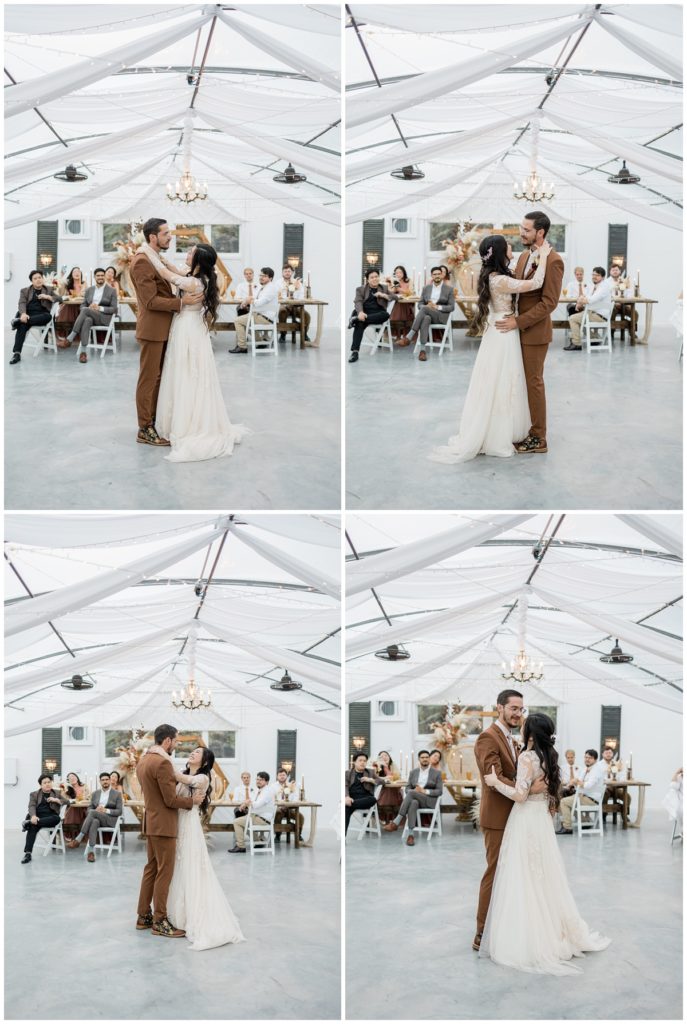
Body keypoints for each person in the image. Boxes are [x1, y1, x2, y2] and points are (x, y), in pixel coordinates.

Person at [481, 713, 611, 974]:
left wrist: (495, 782)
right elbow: (550, 791)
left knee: (524, 874)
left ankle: (533, 936)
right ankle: (553, 928)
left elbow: (519, 795)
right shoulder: (550, 755)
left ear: (529, 731)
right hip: (541, 819)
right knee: (543, 875)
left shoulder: (528, 757)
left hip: (526, 818)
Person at [429, 235, 551, 464]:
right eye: (508, 246)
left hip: (498, 329)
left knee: (499, 379)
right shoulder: (499, 280)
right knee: (504, 379)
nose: (512, 247)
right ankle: (499, 432)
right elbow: (535, 284)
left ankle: (502, 426)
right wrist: (543, 257)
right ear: (499, 253)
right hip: (504, 332)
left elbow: (515, 271)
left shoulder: (494, 276)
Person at [151, 242, 248, 462]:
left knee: (187, 371)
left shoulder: (194, 283)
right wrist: (163, 257)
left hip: (188, 329)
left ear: (198, 261)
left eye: (190, 253)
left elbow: (167, 274)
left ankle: (188, 424)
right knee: (190, 371)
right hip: (191, 328)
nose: (186, 254)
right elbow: (174, 269)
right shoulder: (198, 278)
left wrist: (148, 253)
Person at [472, 689, 548, 950]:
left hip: (518, 818)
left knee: (515, 874)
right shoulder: (487, 738)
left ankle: (509, 927)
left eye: (521, 709)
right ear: (499, 708)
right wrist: (525, 793)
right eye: (513, 708)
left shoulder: (513, 739)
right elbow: (491, 780)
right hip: (498, 817)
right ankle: (482, 931)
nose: (518, 713)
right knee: (494, 872)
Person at [129, 217, 204, 447]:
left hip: (162, 328)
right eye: (166, 234)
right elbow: (150, 301)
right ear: (153, 237)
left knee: (158, 378)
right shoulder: (142, 261)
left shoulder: (155, 258)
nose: (170, 237)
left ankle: (153, 421)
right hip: (152, 328)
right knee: (149, 379)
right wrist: (181, 304)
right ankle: (144, 428)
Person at [495, 211, 564, 454]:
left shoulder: (554, 260)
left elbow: (549, 303)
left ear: (540, 232)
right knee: (519, 383)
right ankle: (522, 428)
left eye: (526, 230)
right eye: (521, 228)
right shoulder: (524, 256)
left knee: (534, 383)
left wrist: (518, 321)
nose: (521, 233)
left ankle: (538, 438)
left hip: (534, 333)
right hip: (515, 331)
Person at [163, 745, 245, 949]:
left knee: (190, 864)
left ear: (205, 761)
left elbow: (185, 780)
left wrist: (162, 758)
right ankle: (177, 913)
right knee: (178, 866)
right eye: (192, 751)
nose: (193, 753)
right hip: (176, 822)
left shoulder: (203, 778)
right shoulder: (181, 773)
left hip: (189, 825)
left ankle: (195, 916)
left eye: (198, 752)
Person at [135, 724, 204, 937]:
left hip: (151, 822)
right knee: (165, 872)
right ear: (166, 741)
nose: (176, 745)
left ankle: (143, 916)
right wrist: (192, 801)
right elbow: (170, 799)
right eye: (175, 741)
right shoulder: (163, 762)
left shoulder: (144, 760)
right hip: (164, 825)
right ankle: (160, 921)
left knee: (151, 869)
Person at [383, 750, 443, 845]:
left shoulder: (436, 773)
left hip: (429, 800)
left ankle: (396, 822)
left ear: (429, 759)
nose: (425, 759)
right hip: (416, 798)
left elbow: (440, 791)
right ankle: (410, 836)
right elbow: (407, 788)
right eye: (422, 757)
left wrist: (424, 791)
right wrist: (414, 791)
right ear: (419, 759)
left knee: (411, 793)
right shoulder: (413, 772)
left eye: (427, 757)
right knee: (413, 802)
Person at [66, 771, 123, 861]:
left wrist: (105, 810)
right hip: (98, 818)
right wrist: (96, 811)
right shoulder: (95, 793)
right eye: (103, 780)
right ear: (100, 782)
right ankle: (91, 853)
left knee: (92, 813)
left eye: (107, 779)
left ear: (109, 780)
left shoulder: (117, 794)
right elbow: (89, 808)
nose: (105, 781)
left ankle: (78, 839)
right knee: (94, 821)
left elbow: (119, 811)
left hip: (110, 820)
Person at [65, 268, 118, 363]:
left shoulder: (112, 291)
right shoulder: (89, 290)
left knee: (86, 310)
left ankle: (71, 337)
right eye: (98, 275)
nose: (100, 277)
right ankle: (83, 353)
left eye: (102, 275)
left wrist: (99, 308)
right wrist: (89, 308)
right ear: (94, 277)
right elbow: (83, 305)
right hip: (91, 316)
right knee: (87, 320)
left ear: (105, 276)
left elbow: (114, 309)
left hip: (104, 318)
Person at [405, 266, 456, 361]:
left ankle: (410, 335)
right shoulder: (426, 288)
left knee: (425, 309)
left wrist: (437, 307)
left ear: (442, 275)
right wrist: (426, 306)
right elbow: (420, 304)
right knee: (426, 318)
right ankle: (422, 351)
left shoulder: (449, 289)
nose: (437, 276)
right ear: (431, 276)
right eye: (434, 274)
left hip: (441, 316)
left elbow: (452, 307)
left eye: (438, 274)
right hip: (429, 314)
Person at [10, 270, 60, 364]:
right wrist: (24, 314)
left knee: (48, 316)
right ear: (32, 281)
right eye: (35, 278)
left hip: (41, 315)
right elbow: (22, 303)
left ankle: (19, 321)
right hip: (28, 313)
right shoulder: (25, 290)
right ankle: (17, 354)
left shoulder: (49, 289)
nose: (38, 280)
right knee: (23, 325)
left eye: (40, 277)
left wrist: (47, 297)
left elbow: (60, 299)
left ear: (43, 279)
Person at [21, 773, 71, 863]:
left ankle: (29, 823)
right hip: (37, 815)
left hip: (50, 817)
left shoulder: (57, 793)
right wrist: (33, 816)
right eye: (45, 783)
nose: (47, 784)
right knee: (33, 826)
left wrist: (56, 800)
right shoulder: (34, 794)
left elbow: (67, 802)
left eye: (49, 782)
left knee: (57, 819)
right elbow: (31, 806)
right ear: (41, 784)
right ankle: (28, 854)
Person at [556, 748, 606, 834]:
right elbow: (579, 781)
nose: (587, 759)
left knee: (564, 802)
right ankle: (584, 821)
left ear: (595, 759)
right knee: (566, 800)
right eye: (586, 757)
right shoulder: (586, 769)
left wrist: (576, 782)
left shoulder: (596, 770)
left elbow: (588, 785)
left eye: (590, 758)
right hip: (583, 796)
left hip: (591, 799)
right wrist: (573, 782)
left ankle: (567, 827)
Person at [230, 266, 279, 353]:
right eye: (260, 275)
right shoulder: (264, 287)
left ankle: (242, 346)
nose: (261, 277)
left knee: (238, 321)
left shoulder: (270, 288)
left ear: (270, 278)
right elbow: (254, 298)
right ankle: (259, 341)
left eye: (264, 276)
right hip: (260, 315)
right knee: (244, 318)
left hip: (265, 318)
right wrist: (247, 300)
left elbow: (259, 302)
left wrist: (249, 301)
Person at [565, 266, 614, 351]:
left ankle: (576, 343)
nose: (594, 277)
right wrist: (581, 300)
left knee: (573, 318)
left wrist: (581, 301)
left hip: (599, 316)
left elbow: (591, 300)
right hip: (593, 313)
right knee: (577, 318)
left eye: (597, 275)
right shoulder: (596, 286)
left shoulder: (603, 287)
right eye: (593, 274)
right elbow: (588, 296)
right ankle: (594, 337)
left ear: (603, 277)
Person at [348, 269, 391, 363]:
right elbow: (358, 302)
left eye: (376, 276)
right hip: (364, 311)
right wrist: (360, 313)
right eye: (372, 277)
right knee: (360, 322)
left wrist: (383, 295)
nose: (375, 279)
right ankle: (355, 352)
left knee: (386, 315)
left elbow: (394, 297)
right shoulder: (360, 289)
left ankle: (355, 319)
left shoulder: (384, 287)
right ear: (367, 279)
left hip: (377, 314)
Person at [229, 771, 275, 852]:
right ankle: (258, 841)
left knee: (237, 822)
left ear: (267, 781)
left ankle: (241, 846)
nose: (258, 781)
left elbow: (256, 805)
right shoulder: (259, 790)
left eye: (261, 780)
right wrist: (245, 803)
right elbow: (252, 800)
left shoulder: (267, 791)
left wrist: (246, 803)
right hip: (256, 816)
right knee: (242, 821)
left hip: (262, 819)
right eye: (257, 779)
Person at [344, 753, 387, 834]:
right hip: (352, 797)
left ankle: (349, 804)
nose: (363, 762)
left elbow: (382, 782)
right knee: (346, 809)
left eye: (364, 761)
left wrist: (370, 780)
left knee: (373, 799)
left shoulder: (370, 772)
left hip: (365, 798)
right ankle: (343, 837)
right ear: (354, 762)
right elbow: (345, 786)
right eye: (360, 760)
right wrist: (347, 797)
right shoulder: (348, 773)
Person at [278, 265, 310, 343]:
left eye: (289, 271)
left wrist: (294, 302)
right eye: (285, 271)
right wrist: (287, 301)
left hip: (296, 306)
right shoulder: (278, 283)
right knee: (282, 312)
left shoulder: (297, 283)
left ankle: (304, 333)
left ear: (292, 272)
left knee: (307, 316)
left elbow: (301, 296)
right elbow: (278, 296)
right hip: (284, 306)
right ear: (282, 273)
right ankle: (283, 334)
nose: (287, 273)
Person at [55, 267, 86, 345]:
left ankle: (75, 335)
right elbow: (61, 294)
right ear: (71, 274)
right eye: (74, 271)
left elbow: (85, 294)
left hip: (80, 305)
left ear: (81, 274)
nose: (77, 273)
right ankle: (63, 334)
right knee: (67, 308)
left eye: (78, 271)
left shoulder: (84, 283)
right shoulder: (67, 284)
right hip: (69, 305)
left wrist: (82, 290)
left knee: (82, 309)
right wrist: (61, 277)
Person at [273, 768, 303, 843]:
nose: (282, 776)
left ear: (287, 776)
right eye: (280, 775)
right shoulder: (273, 786)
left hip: (290, 808)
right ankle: (277, 835)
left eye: (283, 775)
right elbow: (272, 799)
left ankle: (298, 834)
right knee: (278, 814)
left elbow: (295, 798)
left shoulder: (291, 785)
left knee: (300, 817)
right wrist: (280, 806)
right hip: (279, 808)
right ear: (277, 776)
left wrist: (288, 806)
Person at [386, 266, 414, 345]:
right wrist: (391, 283)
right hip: (398, 302)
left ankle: (406, 337)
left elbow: (410, 292)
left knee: (401, 310)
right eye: (396, 273)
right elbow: (392, 292)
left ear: (404, 273)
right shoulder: (394, 281)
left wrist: (399, 289)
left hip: (408, 303)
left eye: (400, 272)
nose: (398, 274)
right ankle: (398, 336)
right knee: (397, 309)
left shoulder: (409, 280)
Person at [374, 750, 402, 823]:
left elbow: (396, 777)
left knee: (393, 790)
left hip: (394, 789)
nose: (384, 757)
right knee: (388, 791)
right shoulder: (377, 766)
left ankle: (390, 819)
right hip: (381, 789)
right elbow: (375, 777)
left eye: (386, 755)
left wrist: (387, 767)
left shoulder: (393, 766)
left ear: (389, 757)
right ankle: (386, 818)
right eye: (382, 756)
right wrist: (383, 767)